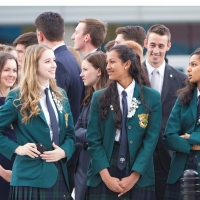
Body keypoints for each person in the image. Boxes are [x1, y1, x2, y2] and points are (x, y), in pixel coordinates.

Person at [85, 45, 162, 200]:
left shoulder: (152, 97)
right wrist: (106, 177)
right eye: (107, 63)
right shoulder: (99, 97)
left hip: (139, 168)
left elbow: (151, 141)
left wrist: (134, 176)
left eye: (112, 62)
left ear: (127, 64)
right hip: (105, 165)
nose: (108, 67)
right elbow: (93, 139)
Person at [0, 44, 75, 200]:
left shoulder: (60, 95)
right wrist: (17, 148)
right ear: (34, 65)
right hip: (29, 177)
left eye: (53, 60)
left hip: (60, 174)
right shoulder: (18, 97)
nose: (54, 65)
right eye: (47, 61)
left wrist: (64, 151)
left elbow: (70, 134)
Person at [35, 12, 84, 193]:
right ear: (62, 33)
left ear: (40, 35)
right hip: (65, 149)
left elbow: (53, 109)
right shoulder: (70, 58)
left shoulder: (59, 63)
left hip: (57, 152)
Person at [143, 24, 187, 200]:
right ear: (146, 43)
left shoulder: (182, 80)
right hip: (136, 157)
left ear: (168, 46)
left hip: (167, 158)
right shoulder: (131, 76)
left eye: (161, 46)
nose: (156, 50)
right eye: (153, 45)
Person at [163, 48, 200, 200]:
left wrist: (188, 137)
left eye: (194, 65)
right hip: (180, 172)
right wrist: (195, 144)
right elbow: (169, 137)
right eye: (189, 64)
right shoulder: (183, 98)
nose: (188, 69)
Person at [74, 51, 109, 200]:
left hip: (99, 166)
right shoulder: (88, 98)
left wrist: (86, 135)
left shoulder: (109, 98)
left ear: (99, 71)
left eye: (85, 69)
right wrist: (88, 134)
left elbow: (103, 133)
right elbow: (75, 130)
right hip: (83, 165)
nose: (81, 74)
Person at [0, 52, 18, 199]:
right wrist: (3, 173)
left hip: (17, 167)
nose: (11, 74)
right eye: (6, 70)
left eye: (14, 70)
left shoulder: (18, 99)